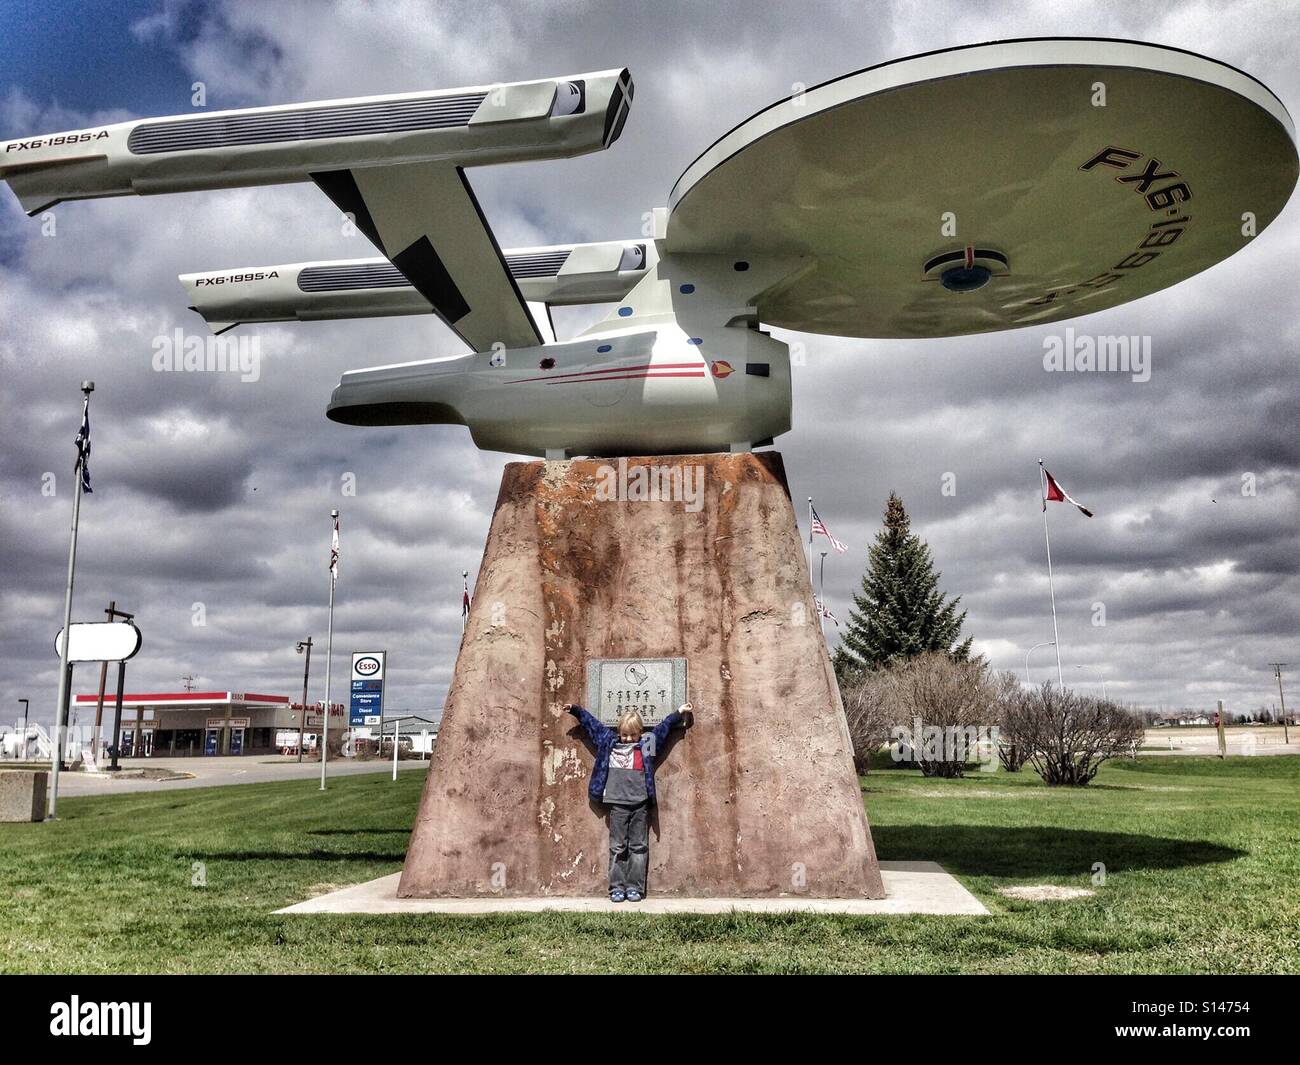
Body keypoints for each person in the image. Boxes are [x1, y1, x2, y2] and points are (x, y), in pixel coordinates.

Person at [563, 701, 693, 902]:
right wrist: (576, 710)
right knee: (617, 847)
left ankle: (634, 887)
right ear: (619, 732)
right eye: (624, 734)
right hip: (617, 804)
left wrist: (679, 713)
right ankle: (616, 887)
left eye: (632, 734)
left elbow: (663, 729)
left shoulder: (646, 745)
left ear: (640, 733)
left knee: (638, 847)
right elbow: (593, 725)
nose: (628, 738)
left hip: (640, 804)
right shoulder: (609, 742)